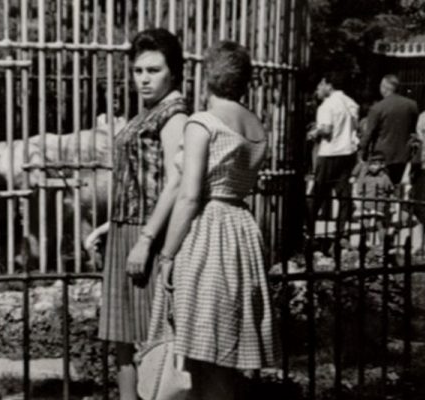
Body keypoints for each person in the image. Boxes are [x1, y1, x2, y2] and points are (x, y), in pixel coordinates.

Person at [147, 40, 279, 399]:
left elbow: (189, 196)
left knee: (199, 347)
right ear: (245, 80)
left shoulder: (202, 123)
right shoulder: (256, 126)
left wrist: (168, 254)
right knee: (227, 346)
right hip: (242, 230)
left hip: (207, 231)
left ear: (207, 76)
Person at [84, 28, 188, 400]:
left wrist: (145, 241)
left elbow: (176, 183)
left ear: (173, 72)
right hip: (126, 229)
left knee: (154, 338)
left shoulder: (174, 114)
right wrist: (109, 226)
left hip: (152, 234)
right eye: (138, 70)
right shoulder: (149, 111)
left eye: (154, 70)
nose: (144, 78)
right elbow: (134, 180)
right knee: (123, 340)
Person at [306, 73, 360, 235]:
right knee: (343, 195)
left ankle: (309, 230)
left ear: (327, 84)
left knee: (317, 194)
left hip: (329, 153)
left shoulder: (326, 106)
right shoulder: (350, 103)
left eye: (319, 86)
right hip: (346, 153)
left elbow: (327, 129)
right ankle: (341, 230)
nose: (318, 90)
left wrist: (314, 132)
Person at [360, 74, 419, 184]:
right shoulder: (412, 105)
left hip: (381, 156)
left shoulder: (377, 108)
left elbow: (369, 133)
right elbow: (413, 129)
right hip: (404, 155)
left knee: (380, 189)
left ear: (384, 87)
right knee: (396, 185)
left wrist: (362, 152)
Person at [351, 151, 395, 245]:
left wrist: (392, 205)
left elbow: (390, 191)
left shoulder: (385, 177)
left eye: (375, 164)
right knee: (365, 224)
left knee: (380, 225)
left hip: (379, 205)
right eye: (371, 164)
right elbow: (359, 190)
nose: (372, 167)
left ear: (382, 165)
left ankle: (382, 244)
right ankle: (365, 242)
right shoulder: (366, 177)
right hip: (366, 204)